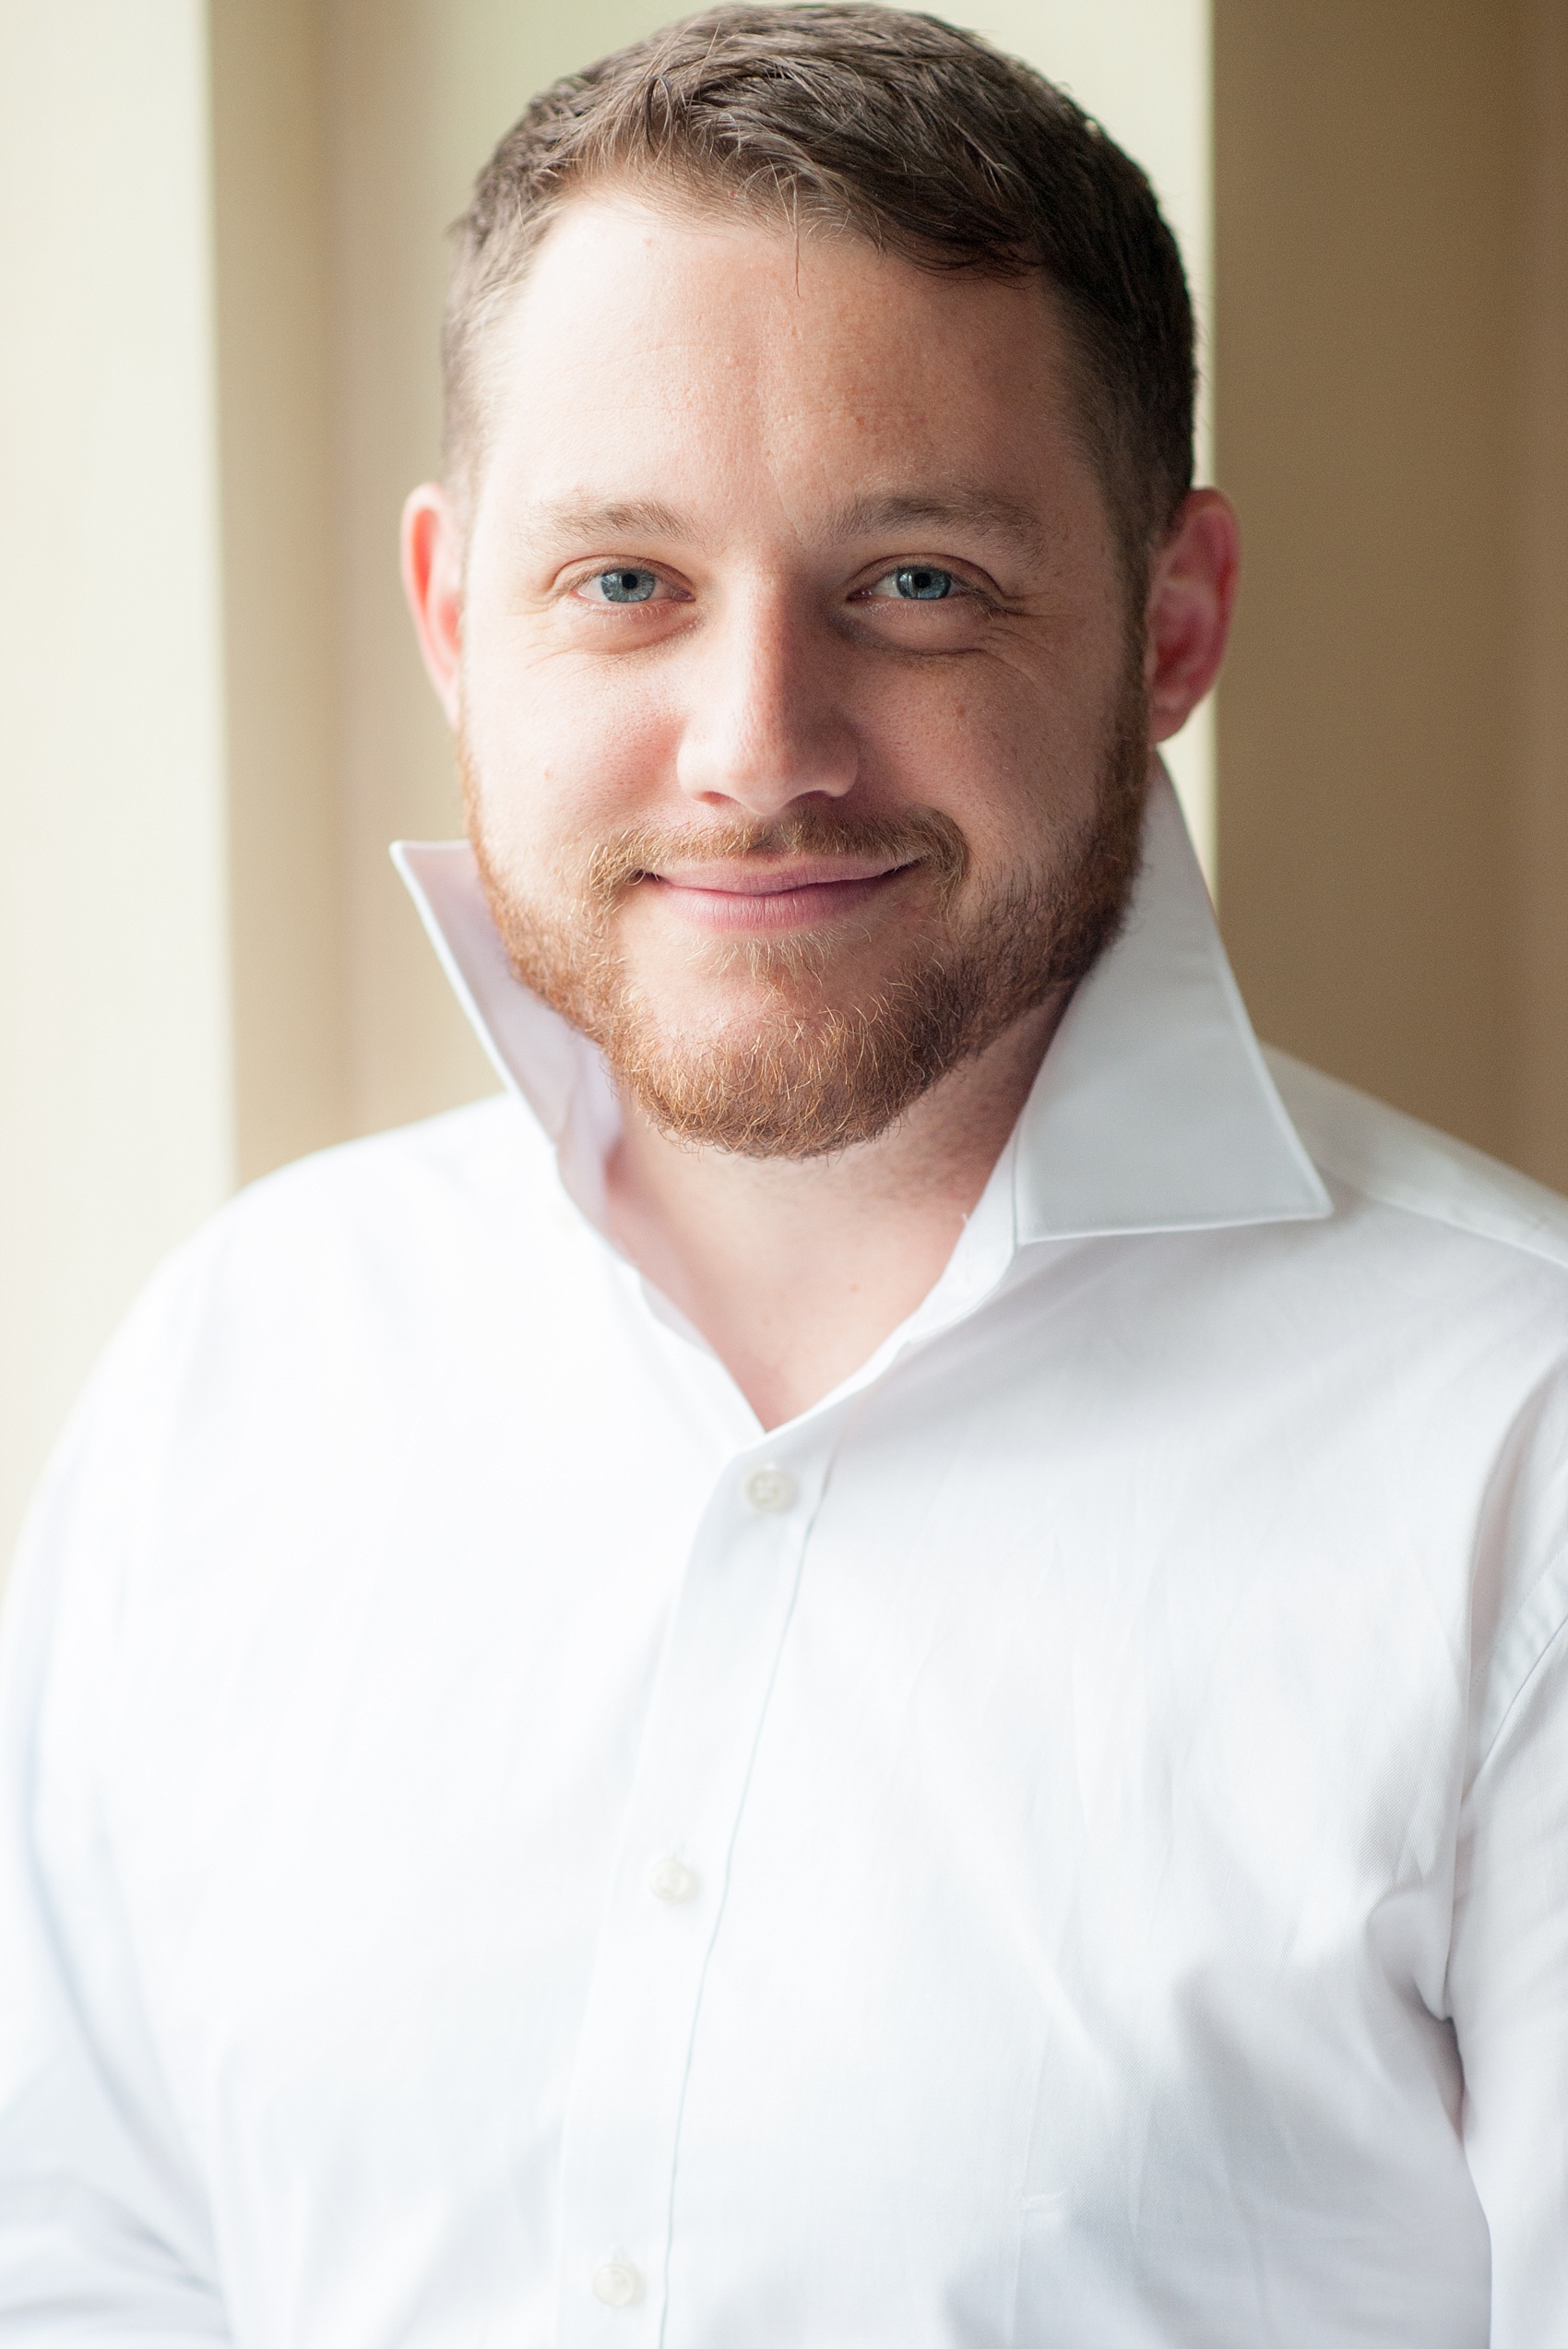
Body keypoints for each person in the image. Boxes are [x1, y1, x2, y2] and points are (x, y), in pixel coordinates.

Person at [2, 6, 1565, 2342]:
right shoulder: (239, 1368)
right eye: (623, 581)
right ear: (453, 616)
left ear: (1170, 621)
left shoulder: (1514, 1448)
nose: (759, 752)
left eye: (916, 580)